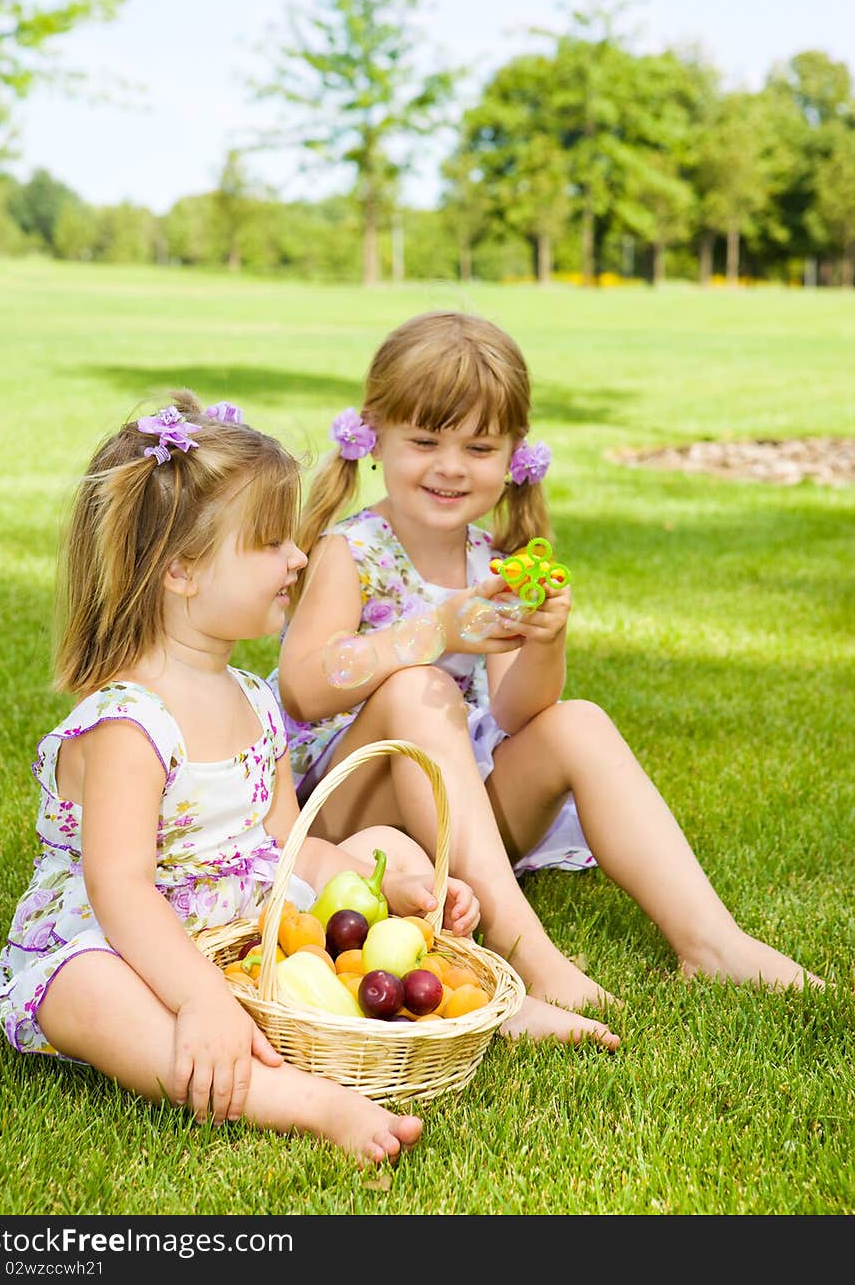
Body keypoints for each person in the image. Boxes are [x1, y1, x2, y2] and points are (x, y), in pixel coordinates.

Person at [271, 310, 824, 1051]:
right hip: (356, 814)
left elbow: (517, 710)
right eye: (425, 441)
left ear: (512, 457)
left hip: (456, 811)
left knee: (579, 721)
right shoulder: (353, 551)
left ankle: (712, 942)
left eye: (479, 446)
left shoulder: (491, 558)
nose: (450, 466)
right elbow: (303, 687)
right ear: (374, 436)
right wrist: (435, 633)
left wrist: (544, 639)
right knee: (416, 688)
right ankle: (528, 955)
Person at [0, 393, 482, 1167]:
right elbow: (120, 891)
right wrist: (200, 998)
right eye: (271, 543)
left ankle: (462, 1004)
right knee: (86, 992)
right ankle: (298, 1100)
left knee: (388, 846)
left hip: (240, 924)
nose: (299, 558)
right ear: (181, 570)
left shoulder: (251, 696)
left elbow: (288, 840)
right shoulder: (127, 723)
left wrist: (381, 892)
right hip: (134, 946)